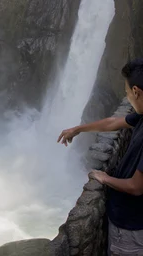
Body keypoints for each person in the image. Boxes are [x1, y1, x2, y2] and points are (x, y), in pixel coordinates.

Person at [58, 59, 143, 256]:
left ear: (137, 91)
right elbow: (113, 123)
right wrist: (78, 129)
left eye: (128, 93)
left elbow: (137, 186)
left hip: (131, 229)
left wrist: (103, 178)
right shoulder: (141, 116)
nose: (127, 97)